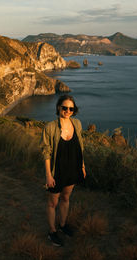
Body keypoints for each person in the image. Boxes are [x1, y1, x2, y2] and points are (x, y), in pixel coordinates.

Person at [40, 94, 86, 246]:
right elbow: (46, 151)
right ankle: (52, 232)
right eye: (64, 107)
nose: (67, 111)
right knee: (53, 203)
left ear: (74, 110)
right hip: (57, 171)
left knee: (66, 199)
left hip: (72, 169)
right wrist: (48, 175)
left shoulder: (77, 124)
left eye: (70, 109)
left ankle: (63, 225)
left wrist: (83, 166)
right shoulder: (50, 127)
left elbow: (80, 147)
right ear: (59, 107)